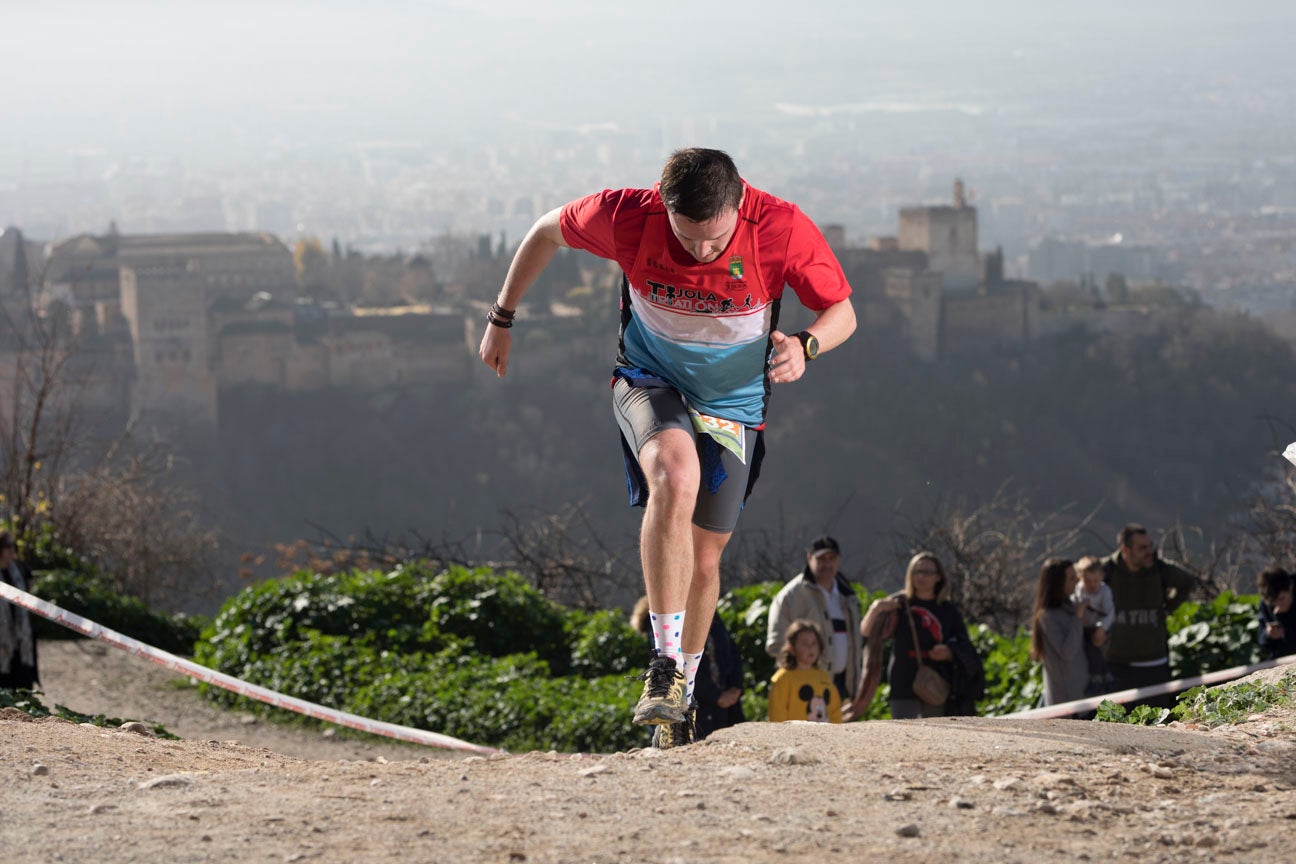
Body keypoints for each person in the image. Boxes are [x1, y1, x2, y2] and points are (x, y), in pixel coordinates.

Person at [479, 148, 856, 748]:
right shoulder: (627, 215)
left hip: (734, 405)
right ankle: (662, 666)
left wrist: (807, 345)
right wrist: (502, 317)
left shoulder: (779, 226)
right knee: (674, 477)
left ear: (739, 204)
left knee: (706, 558)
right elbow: (544, 231)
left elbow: (842, 310)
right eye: (687, 239)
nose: (701, 254)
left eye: (714, 242)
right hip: (650, 380)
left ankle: (680, 696)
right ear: (665, 205)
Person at [853, 552, 978, 720]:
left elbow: (964, 644)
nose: (921, 577)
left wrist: (949, 652)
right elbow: (867, 631)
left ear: (938, 577)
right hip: (903, 681)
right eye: (916, 572)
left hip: (936, 681)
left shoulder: (948, 610)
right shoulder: (898, 604)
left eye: (927, 572)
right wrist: (876, 608)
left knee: (933, 734)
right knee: (904, 734)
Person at [1101, 524, 1198, 709]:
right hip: (1116, 664)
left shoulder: (1160, 570)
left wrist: (1168, 607)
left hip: (1154, 664)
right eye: (1142, 548)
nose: (1149, 552)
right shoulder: (1106, 571)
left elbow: (1187, 582)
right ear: (1125, 550)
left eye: (1150, 546)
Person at [630, 595, 745, 745]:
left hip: (725, 707)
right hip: (692, 707)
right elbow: (673, 664)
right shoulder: (661, 618)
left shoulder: (707, 608)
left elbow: (730, 649)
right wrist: (716, 696)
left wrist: (735, 687)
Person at [764, 536, 862, 708]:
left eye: (831, 558)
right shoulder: (790, 596)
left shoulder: (848, 596)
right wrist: (802, 670)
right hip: (803, 688)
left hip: (842, 686)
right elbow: (775, 643)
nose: (827, 564)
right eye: (821, 558)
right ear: (809, 559)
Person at [1031, 558, 1088, 708]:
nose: (1077, 580)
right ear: (1058, 584)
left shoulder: (1068, 606)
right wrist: (1078, 618)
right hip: (1066, 701)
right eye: (1071, 578)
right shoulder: (1047, 616)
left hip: (1082, 693)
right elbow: (1067, 653)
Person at [767, 619, 842, 723]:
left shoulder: (824, 676)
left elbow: (835, 711)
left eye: (814, 643)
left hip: (824, 737)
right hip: (794, 738)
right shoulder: (783, 678)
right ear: (792, 649)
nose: (810, 648)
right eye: (805, 643)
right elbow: (777, 715)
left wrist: (837, 732)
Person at [1071, 555, 1117, 694]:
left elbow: (1110, 613)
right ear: (1080, 577)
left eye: (1095, 580)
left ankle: (1102, 676)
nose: (1092, 585)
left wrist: (1102, 628)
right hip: (1083, 627)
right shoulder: (1079, 590)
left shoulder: (1105, 591)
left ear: (1102, 577)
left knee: (1096, 648)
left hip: (1100, 628)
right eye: (1087, 581)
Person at [0, 531, 39, 691]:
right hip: (2, 641)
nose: (11, 550)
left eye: (13, 546)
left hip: (21, 639)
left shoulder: (20, 570)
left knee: (23, 693)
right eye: (6, 546)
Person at [1256, 566, 1296, 659]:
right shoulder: (1265, 606)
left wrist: (1284, 617)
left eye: (1281, 599)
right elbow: (1262, 640)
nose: (1278, 605)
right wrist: (1269, 635)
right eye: (1273, 603)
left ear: (1290, 587)